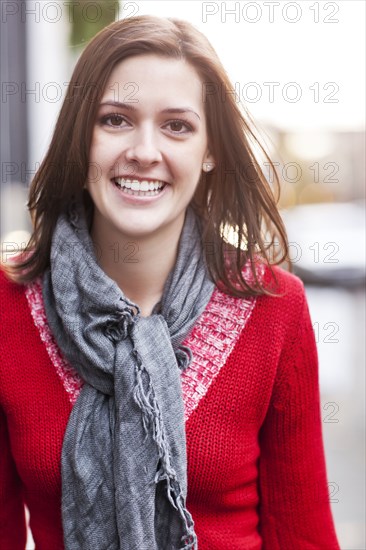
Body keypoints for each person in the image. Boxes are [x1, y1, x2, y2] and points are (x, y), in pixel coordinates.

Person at [0, 15, 340, 550]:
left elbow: (304, 537)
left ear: (210, 151)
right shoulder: (9, 308)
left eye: (177, 126)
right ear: (79, 137)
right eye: (114, 120)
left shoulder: (275, 308)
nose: (144, 150)